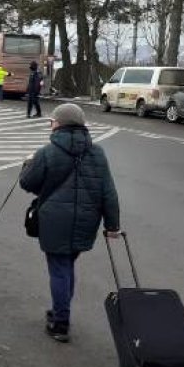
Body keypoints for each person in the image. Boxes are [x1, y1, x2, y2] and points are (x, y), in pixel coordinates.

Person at [19, 104, 121, 343]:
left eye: (52, 121)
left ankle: (60, 323)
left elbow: (28, 183)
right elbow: (108, 192)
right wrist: (112, 226)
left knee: (59, 269)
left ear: (61, 124)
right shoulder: (97, 153)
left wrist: (28, 163)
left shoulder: (47, 152)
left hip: (55, 221)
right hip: (87, 221)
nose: (51, 124)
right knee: (67, 267)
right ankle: (59, 310)